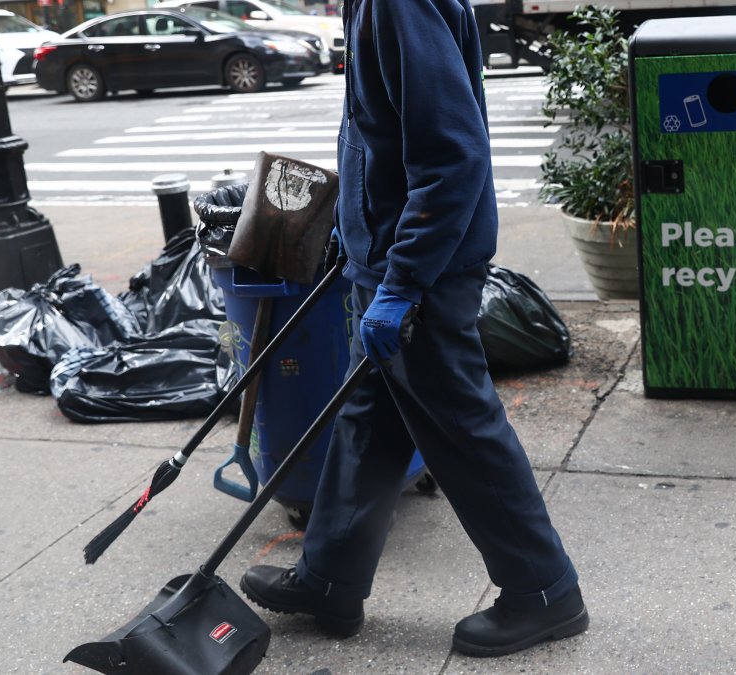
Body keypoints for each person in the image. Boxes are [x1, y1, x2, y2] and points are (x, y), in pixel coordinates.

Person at [238, 0, 589, 658]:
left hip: (424, 273)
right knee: (368, 423)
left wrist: (400, 284)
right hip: (394, 257)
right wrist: (353, 225)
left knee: (462, 428)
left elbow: (450, 156)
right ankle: (330, 579)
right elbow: (379, 134)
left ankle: (545, 591)